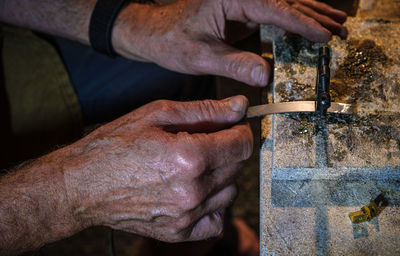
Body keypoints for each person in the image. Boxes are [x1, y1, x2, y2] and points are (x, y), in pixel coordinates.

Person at [0, 0, 347, 255]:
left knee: (186, 68)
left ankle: (188, 240)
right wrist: (68, 191)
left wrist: (131, 24)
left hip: (17, 48)